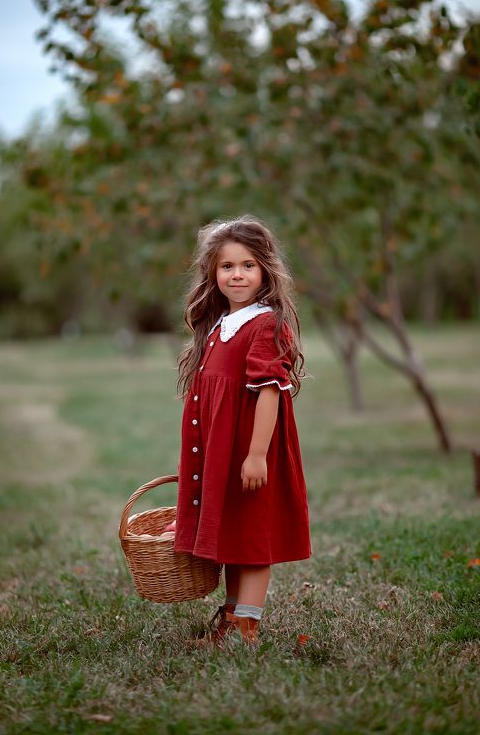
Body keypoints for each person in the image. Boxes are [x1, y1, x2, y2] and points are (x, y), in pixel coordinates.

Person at [171, 215, 311, 645]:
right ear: (213, 273)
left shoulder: (265, 323)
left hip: (252, 449)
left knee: (251, 535)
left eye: (248, 265)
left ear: (266, 270)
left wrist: (254, 455)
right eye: (227, 266)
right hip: (224, 450)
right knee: (233, 531)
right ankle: (231, 619)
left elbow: (269, 393)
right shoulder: (219, 324)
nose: (237, 274)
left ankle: (246, 627)